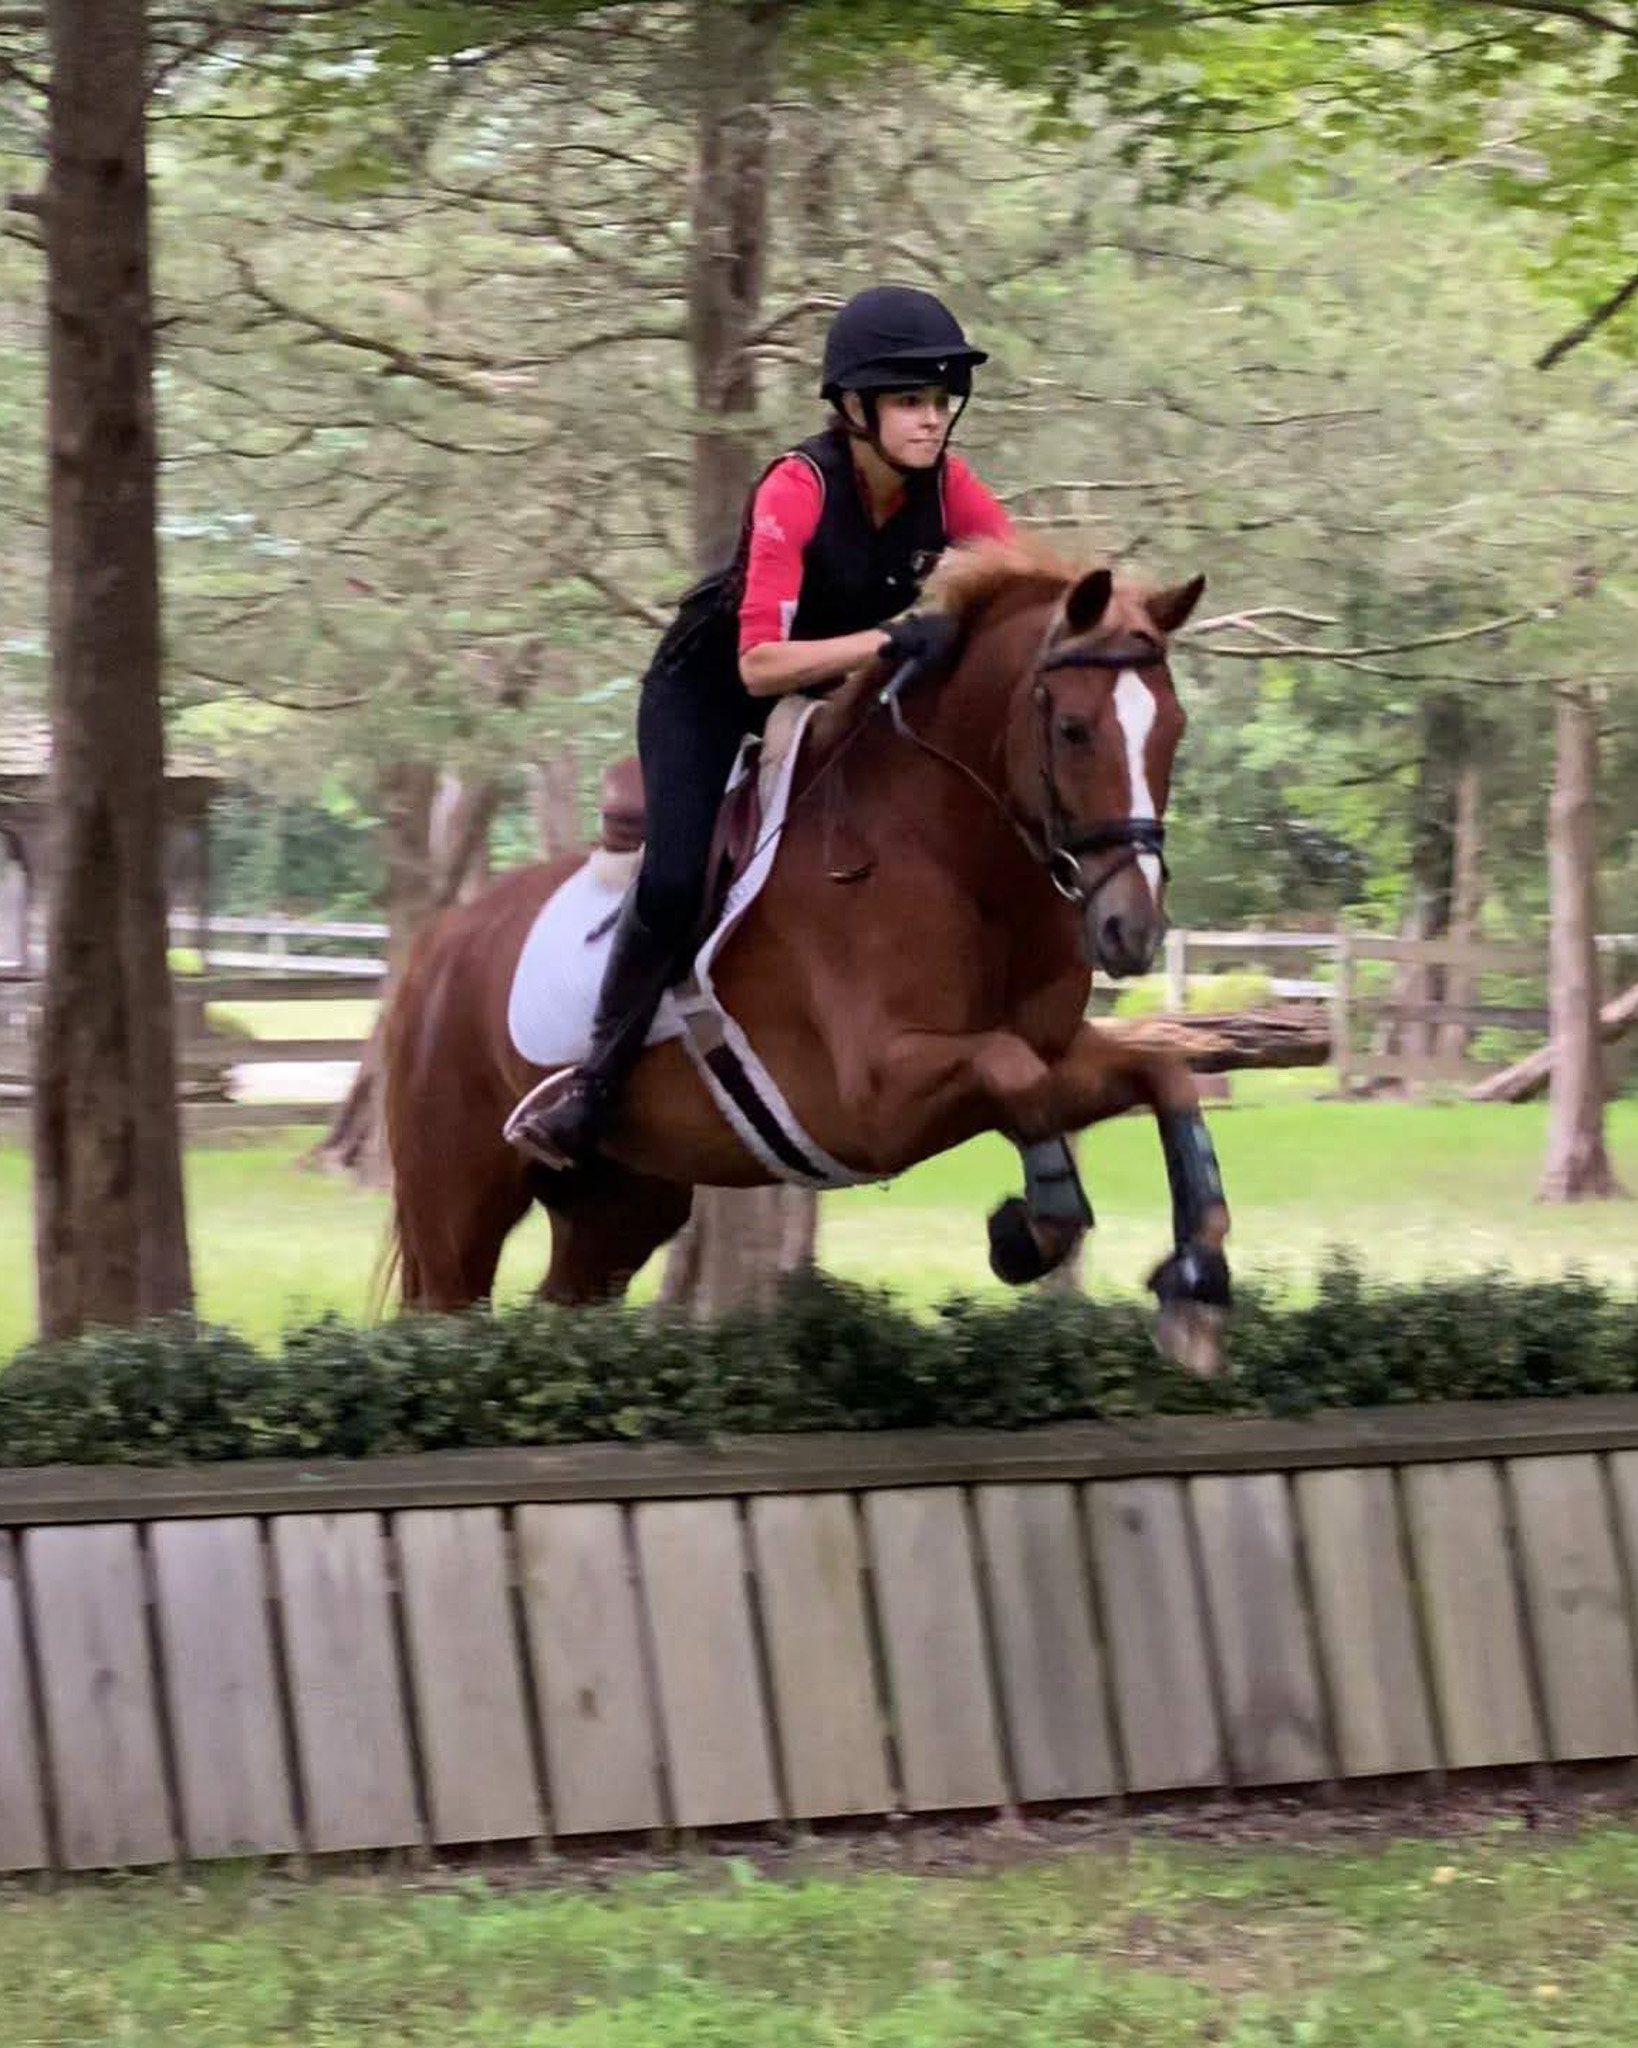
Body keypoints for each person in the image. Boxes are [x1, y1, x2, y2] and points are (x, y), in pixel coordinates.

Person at [506, 283, 1013, 1169]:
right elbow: (759, 668)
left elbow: (1015, 589)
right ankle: (596, 1088)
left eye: (939, 402)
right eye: (909, 401)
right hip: (713, 692)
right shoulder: (797, 487)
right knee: (671, 880)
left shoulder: (953, 489)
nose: (932, 420)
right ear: (855, 408)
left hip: (831, 695)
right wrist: (891, 640)